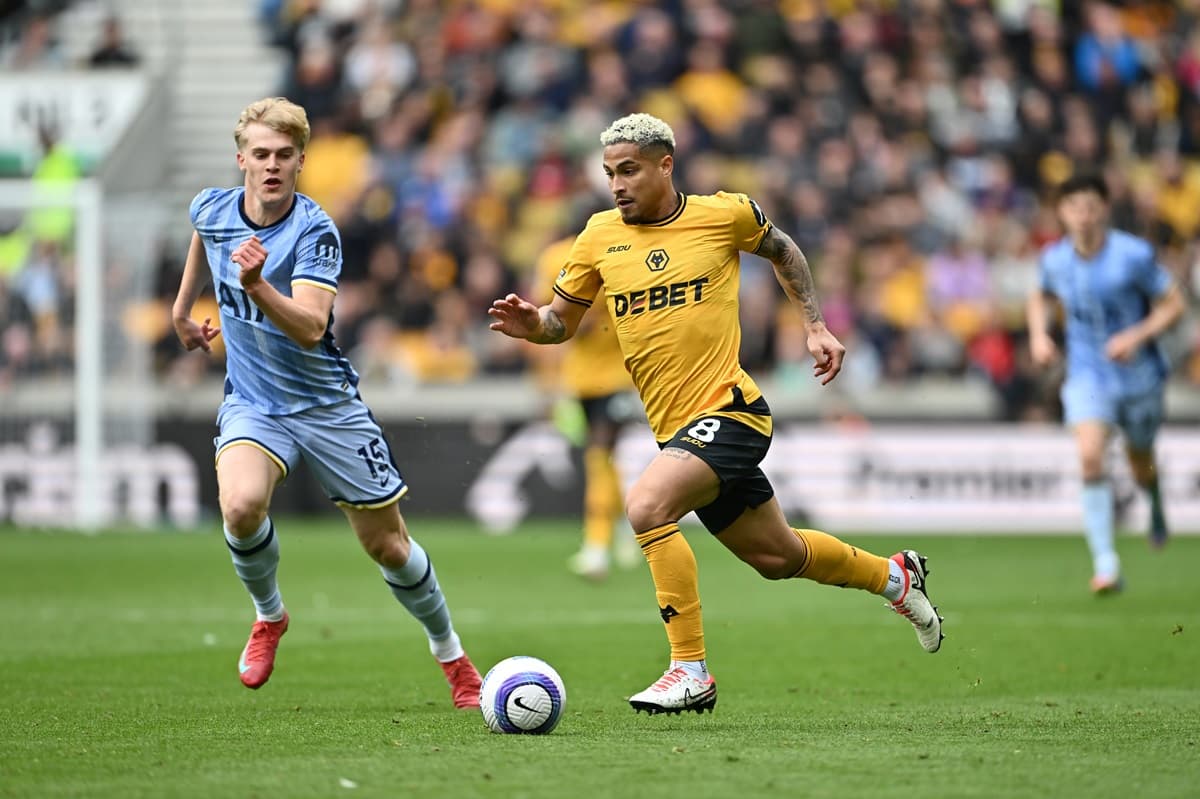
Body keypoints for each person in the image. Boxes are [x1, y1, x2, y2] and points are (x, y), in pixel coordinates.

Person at [489, 113, 943, 715]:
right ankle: (894, 579)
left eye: (628, 170)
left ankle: (690, 670)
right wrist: (533, 327)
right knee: (778, 558)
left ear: (665, 165)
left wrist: (814, 325)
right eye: (609, 174)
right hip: (677, 431)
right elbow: (560, 323)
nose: (617, 184)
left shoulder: (723, 214)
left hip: (732, 410)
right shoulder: (598, 237)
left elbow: (784, 251)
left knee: (647, 506)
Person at [171, 97, 482, 706]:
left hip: (326, 406)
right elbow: (203, 239)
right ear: (242, 159)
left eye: (284, 156)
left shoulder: (315, 231)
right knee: (239, 505)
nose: (271, 165)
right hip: (255, 402)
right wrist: (182, 312)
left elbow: (312, 326)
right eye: (260, 154)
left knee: (387, 545)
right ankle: (270, 616)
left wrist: (257, 287)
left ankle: (451, 655)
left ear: (301, 162)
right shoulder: (211, 207)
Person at [1027, 173, 1186, 594]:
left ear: (1104, 209)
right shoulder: (1054, 259)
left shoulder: (1132, 255)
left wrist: (1135, 336)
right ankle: (1106, 563)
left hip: (1139, 377)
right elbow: (1039, 296)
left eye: (1089, 206)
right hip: (1086, 374)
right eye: (1073, 206)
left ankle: (1152, 498)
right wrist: (1039, 336)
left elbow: (1175, 303)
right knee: (1090, 456)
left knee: (1139, 462)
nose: (1082, 215)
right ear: (1062, 212)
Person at [531, 230, 642, 580]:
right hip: (586, 377)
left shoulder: (556, 256)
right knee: (604, 458)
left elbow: (544, 315)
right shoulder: (620, 251)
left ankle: (596, 548)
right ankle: (627, 523)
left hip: (615, 377)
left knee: (599, 454)